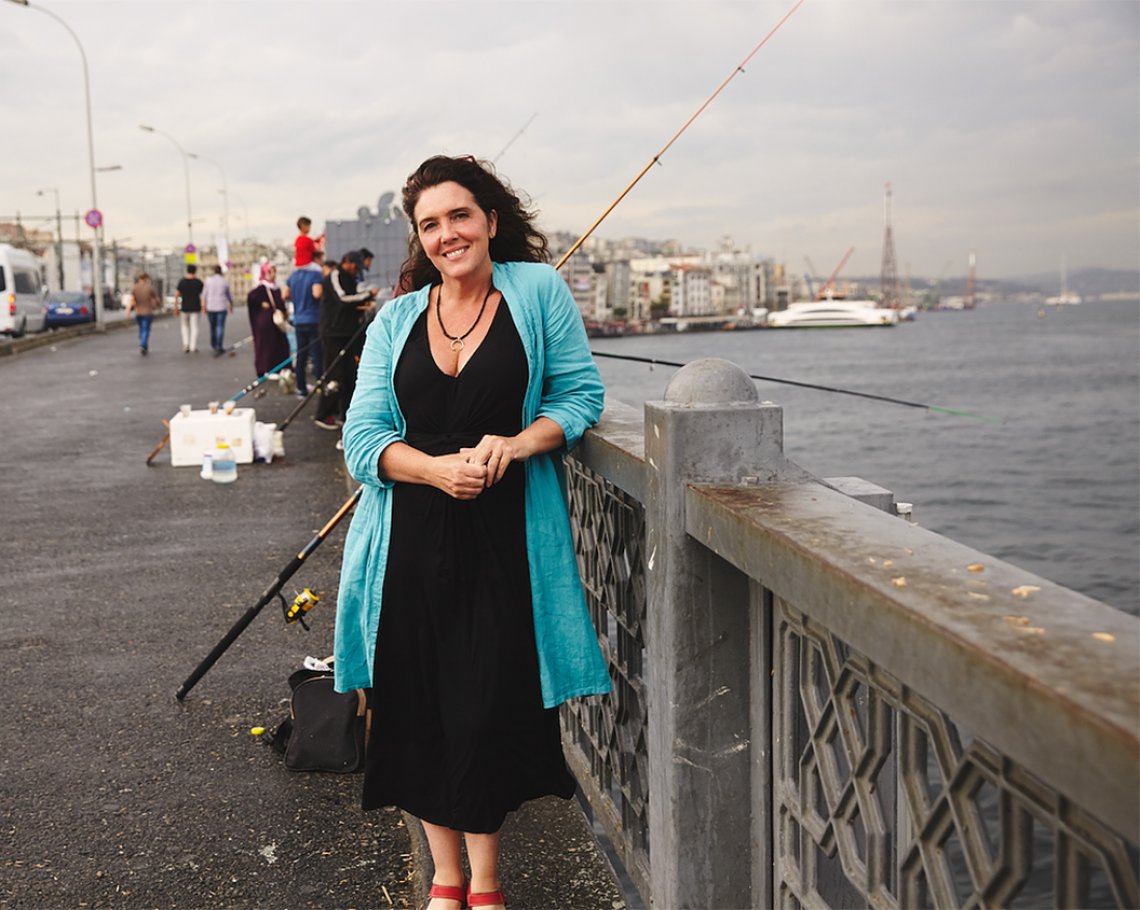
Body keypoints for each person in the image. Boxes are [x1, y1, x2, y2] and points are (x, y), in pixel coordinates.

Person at [333, 155, 609, 910]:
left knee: (488, 702)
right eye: (430, 224)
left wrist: (516, 445)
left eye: (460, 215)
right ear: (418, 241)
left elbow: (580, 394)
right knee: (417, 703)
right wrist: (428, 469)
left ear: (490, 218)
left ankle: (486, 880)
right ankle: (443, 876)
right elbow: (361, 437)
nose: (448, 234)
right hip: (408, 539)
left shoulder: (537, 289)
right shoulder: (394, 319)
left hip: (505, 535)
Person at [312, 250, 377, 430]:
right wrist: (367, 295)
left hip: (348, 332)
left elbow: (352, 301)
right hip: (333, 333)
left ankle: (345, 414)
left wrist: (364, 302)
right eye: (356, 266)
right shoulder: (335, 276)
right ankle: (323, 414)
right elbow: (342, 299)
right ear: (347, 262)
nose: (357, 270)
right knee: (334, 375)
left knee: (351, 375)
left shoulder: (351, 278)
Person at [286, 249, 324, 398]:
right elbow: (317, 293)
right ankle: (320, 387)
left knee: (301, 356)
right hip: (313, 319)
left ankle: (301, 388)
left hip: (298, 320)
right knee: (317, 354)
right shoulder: (315, 274)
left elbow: (285, 294)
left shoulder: (293, 276)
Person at [246, 263, 291, 378]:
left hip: (276, 323)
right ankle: (266, 368)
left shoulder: (275, 287)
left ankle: (280, 368)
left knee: (279, 345)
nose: (273, 274)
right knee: (267, 347)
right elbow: (252, 297)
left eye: (274, 271)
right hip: (265, 324)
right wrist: (262, 303)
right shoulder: (262, 288)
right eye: (270, 271)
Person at [124, 272, 162, 355]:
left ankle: (143, 343)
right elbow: (156, 299)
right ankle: (143, 344)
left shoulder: (135, 288)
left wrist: (128, 311)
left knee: (141, 329)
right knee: (146, 329)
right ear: (146, 279)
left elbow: (132, 300)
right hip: (148, 312)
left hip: (138, 313)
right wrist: (159, 306)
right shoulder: (150, 288)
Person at [203, 265, 234, 356]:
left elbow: (204, 295)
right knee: (220, 326)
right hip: (221, 307)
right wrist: (231, 306)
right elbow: (229, 296)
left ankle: (213, 344)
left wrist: (203, 306)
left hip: (211, 307)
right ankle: (219, 346)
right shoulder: (224, 281)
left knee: (212, 327)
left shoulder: (208, 281)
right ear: (220, 272)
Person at [174, 264, 205, 353]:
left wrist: (176, 307)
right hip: (195, 307)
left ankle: (186, 344)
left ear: (187, 271)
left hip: (184, 308)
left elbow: (177, 294)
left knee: (184, 326)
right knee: (194, 327)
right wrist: (203, 307)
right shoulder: (198, 282)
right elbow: (202, 296)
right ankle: (193, 346)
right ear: (195, 271)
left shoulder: (182, 282)